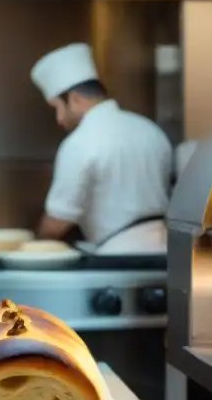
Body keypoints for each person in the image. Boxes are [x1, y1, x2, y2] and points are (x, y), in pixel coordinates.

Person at [30, 43, 172, 253]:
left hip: (118, 258)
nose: (59, 119)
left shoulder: (80, 142)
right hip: (166, 252)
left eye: (58, 108)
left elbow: (58, 220)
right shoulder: (150, 130)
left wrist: (34, 246)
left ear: (75, 98)